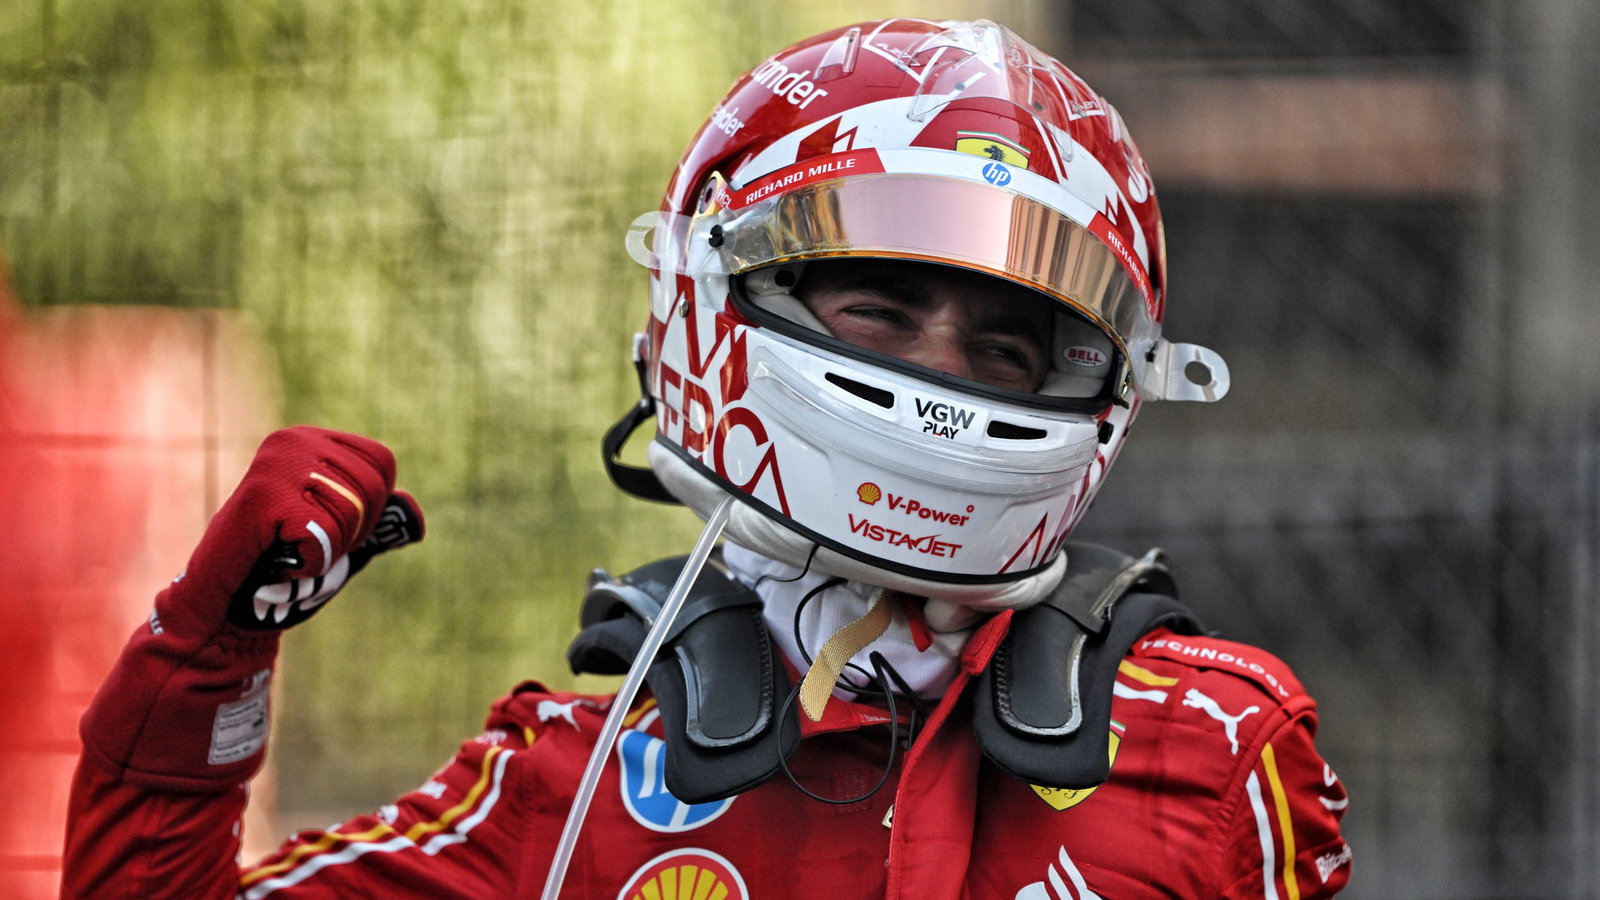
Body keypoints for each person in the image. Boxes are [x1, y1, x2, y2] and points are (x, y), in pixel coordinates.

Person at [61, 17, 1352, 899]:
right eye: (881, 311)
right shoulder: (569, 788)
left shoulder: (1215, 748)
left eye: (1005, 347)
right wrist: (207, 665)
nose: (942, 374)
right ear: (708, 298)